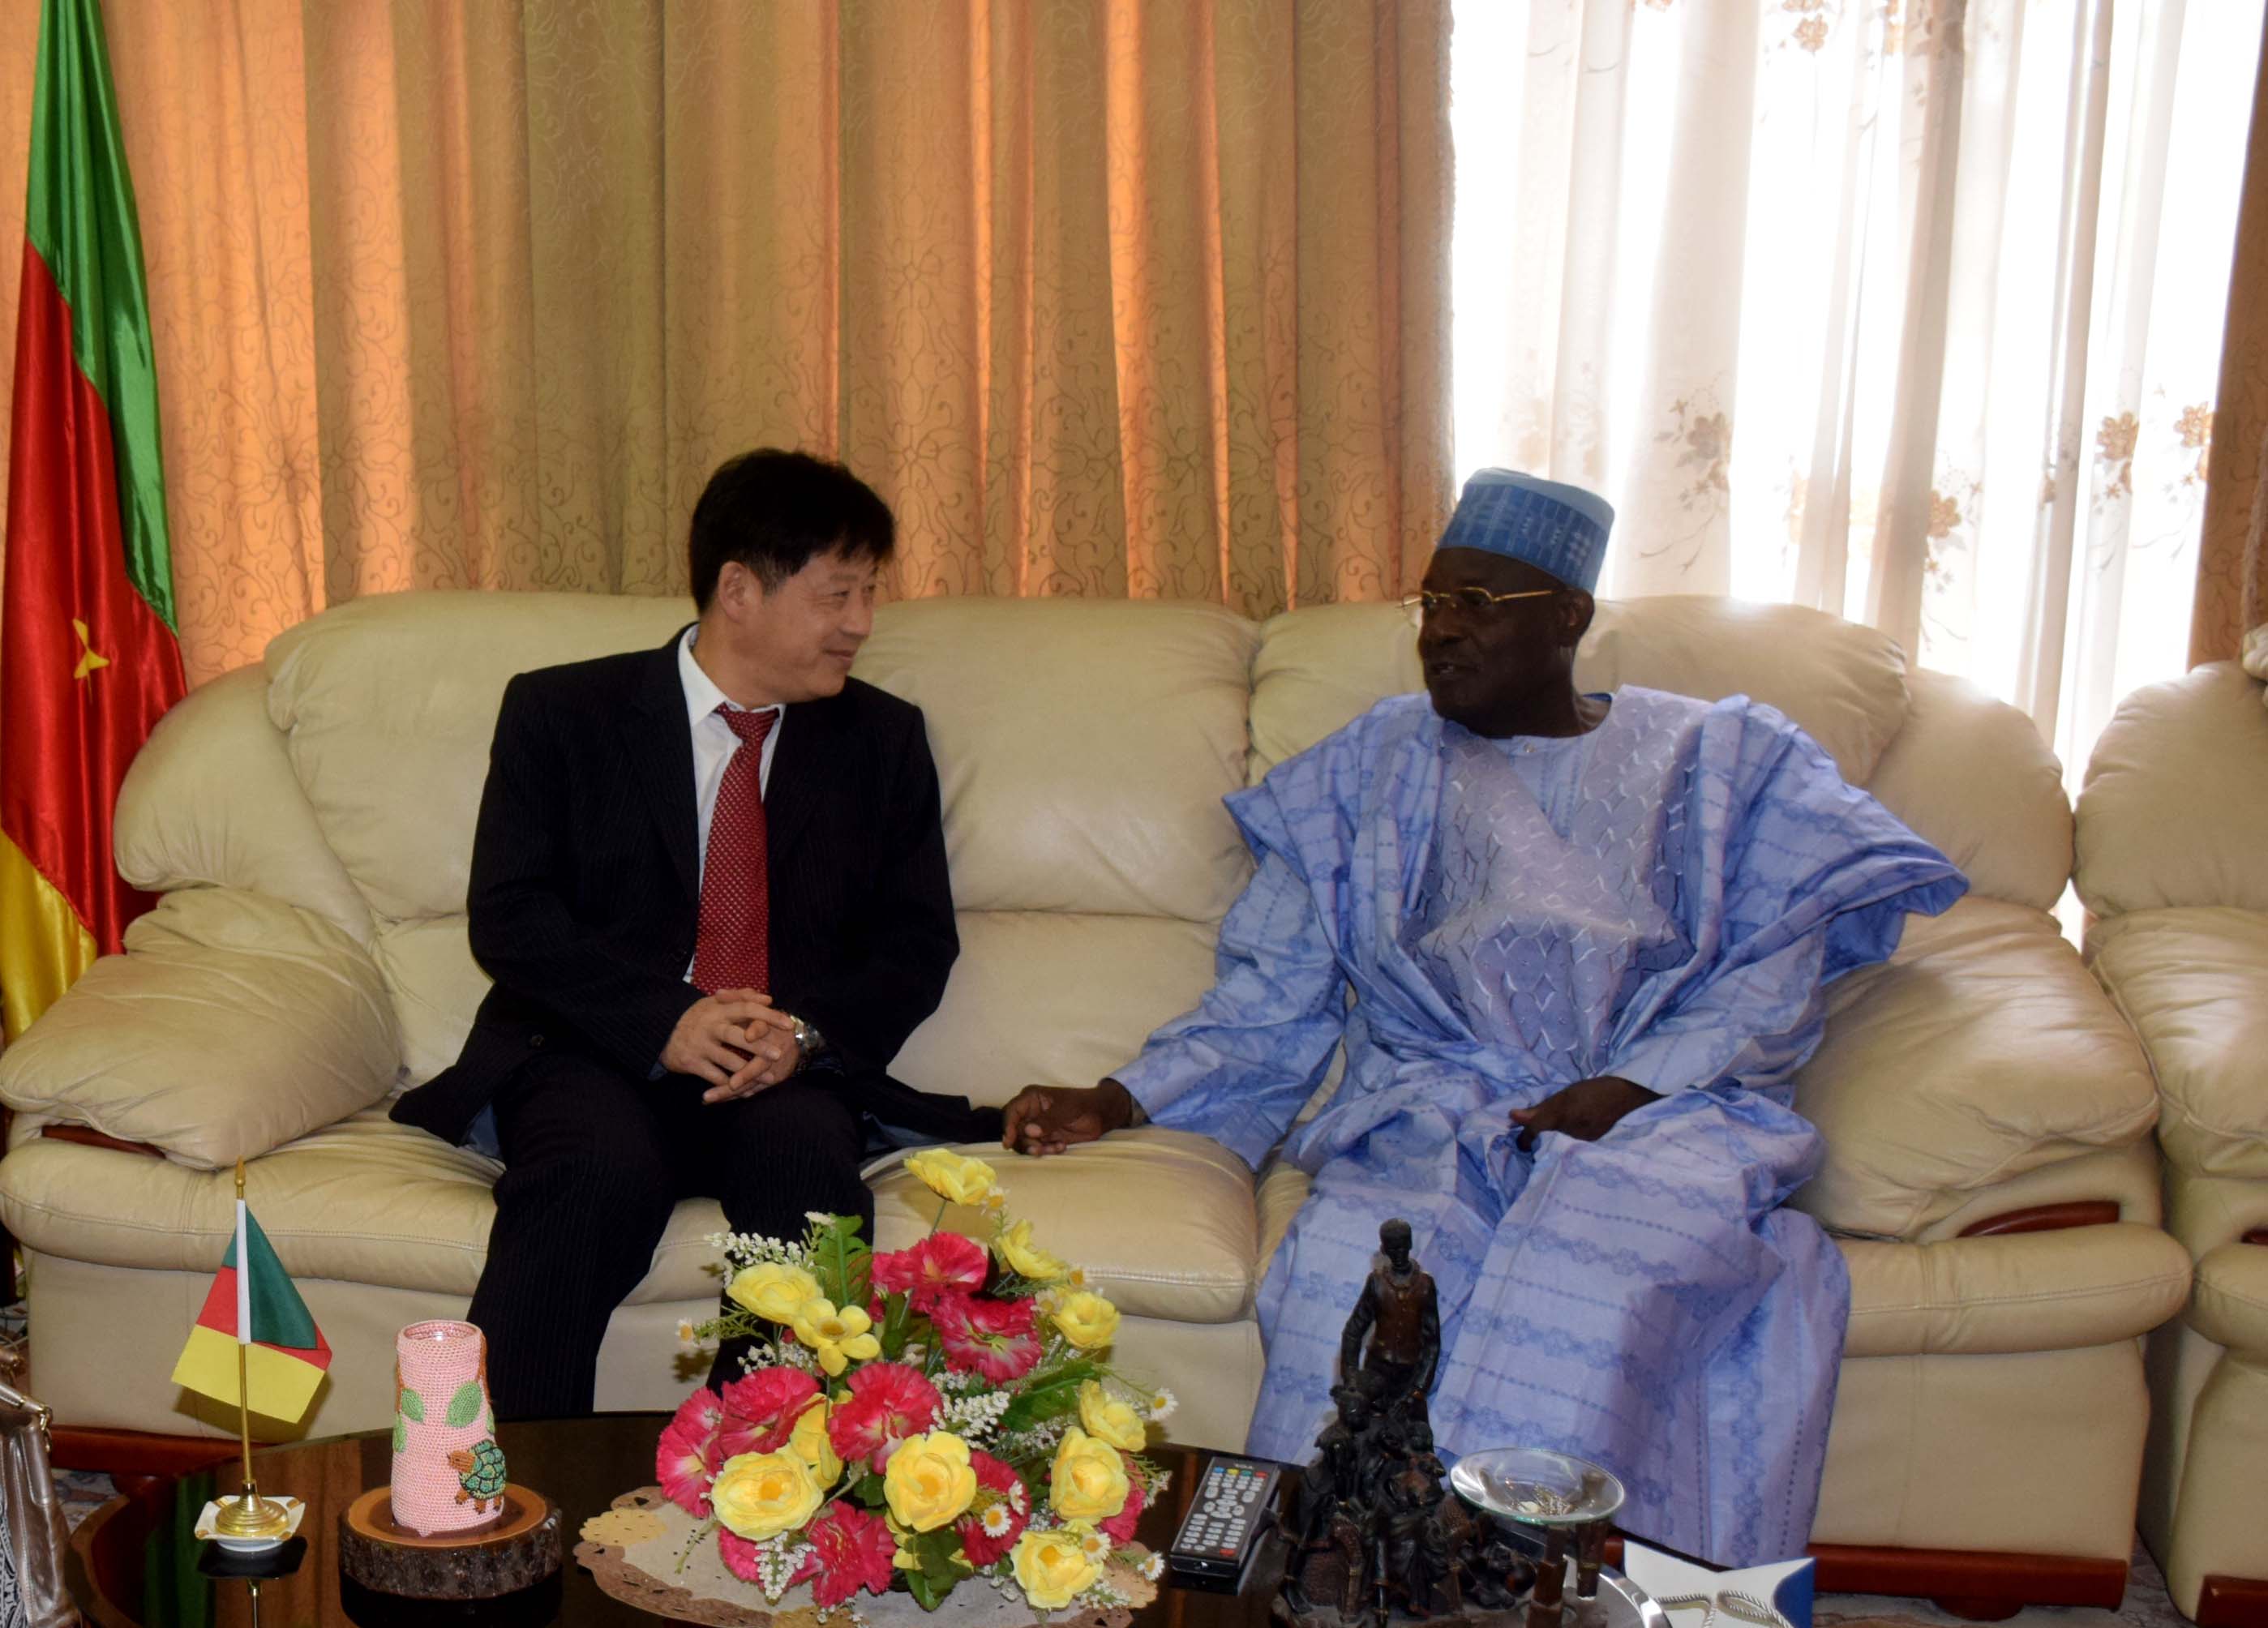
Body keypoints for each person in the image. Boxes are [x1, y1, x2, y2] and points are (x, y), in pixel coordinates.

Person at [998, 469, 1966, 1566]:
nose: (1440, 631)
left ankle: (1531, 1580)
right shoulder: (1369, 769)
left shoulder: (1720, 762)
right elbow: (1271, 990)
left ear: (1570, 617)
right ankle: (1330, 1576)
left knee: (1593, 1284)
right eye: (1430, 604)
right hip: (1433, 1115)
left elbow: (1772, 971)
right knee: (1352, 1280)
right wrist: (1121, 1096)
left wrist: (1629, 1087)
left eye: (1476, 604)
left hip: (1657, 1119)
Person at [393, 448, 999, 1418]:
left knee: (809, 1177)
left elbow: (915, 943)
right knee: (588, 1174)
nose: (861, 623)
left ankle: (761, 1475)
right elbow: (512, 914)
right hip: (595, 1051)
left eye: (870, 594)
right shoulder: (563, 713)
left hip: (781, 1073)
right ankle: (506, 1482)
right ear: (739, 590)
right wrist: (663, 1019)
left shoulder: (880, 740)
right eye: (838, 594)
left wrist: (800, 1033)